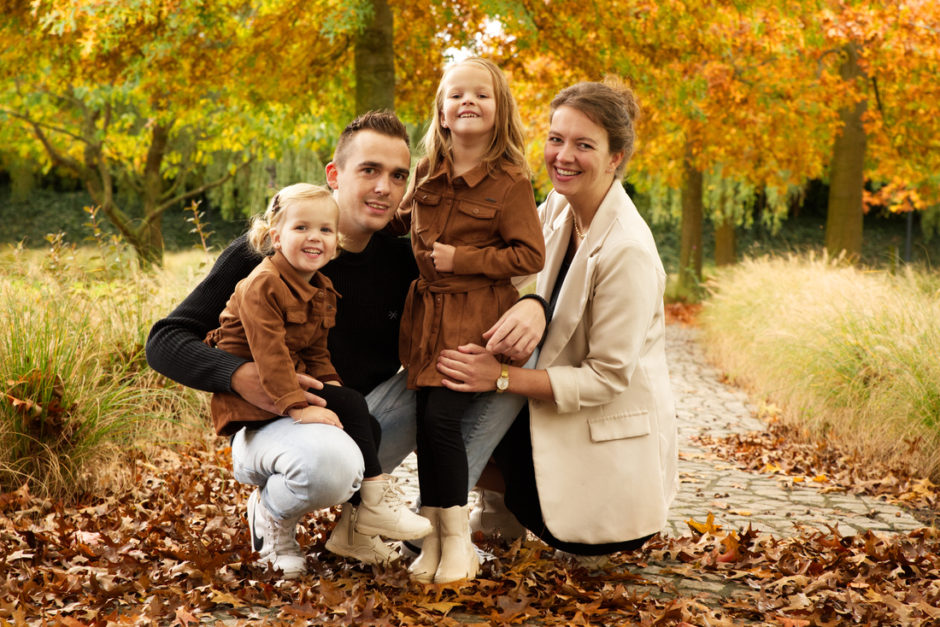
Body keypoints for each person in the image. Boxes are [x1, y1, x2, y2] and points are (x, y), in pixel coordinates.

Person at [145, 111, 546, 579]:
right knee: (328, 462)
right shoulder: (271, 253)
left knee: (507, 360)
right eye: (369, 170)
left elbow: (482, 287)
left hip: (358, 416)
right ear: (335, 175)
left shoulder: (403, 260)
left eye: (398, 176)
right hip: (274, 421)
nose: (384, 188)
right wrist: (238, 376)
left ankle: (428, 521)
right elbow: (165, 340)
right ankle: (272, 512)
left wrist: (533, 304)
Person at [437, 80, 678, 562]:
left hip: (602, 459)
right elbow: (514, 269)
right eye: (555, 139)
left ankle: (491, 511)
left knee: (465, 401)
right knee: (438, 394)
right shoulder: (557, 206)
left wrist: (501, 377)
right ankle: (492, 513)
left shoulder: (627, 250)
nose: (563, 155)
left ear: (616, 157)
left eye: (583, 144)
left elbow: (607, 377)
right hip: (559, 424)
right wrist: (531, 304)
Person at [202, 183, 432, 578]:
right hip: (251, 409)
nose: (315, 238)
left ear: (336, 240)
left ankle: (362, 524)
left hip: (288, 392)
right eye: (301, 228)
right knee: (347, 430)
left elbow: (316, 355)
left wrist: (334, 395)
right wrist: (299, 407)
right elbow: (270, 357)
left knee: (364, 421)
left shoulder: (320, 287)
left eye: (325, 230)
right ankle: (278, 515)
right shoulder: (263, 284)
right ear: (276, 236)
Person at [387, 57, 545, 584]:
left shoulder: (510, 181)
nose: (468, 102)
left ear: (500, 111)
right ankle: (432, 541)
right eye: (456, 95)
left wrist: (466, 260)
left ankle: (457, 545)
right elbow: (401, 226)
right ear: (442, 110)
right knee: (430, 428)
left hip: (476, 318)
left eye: (482, 94)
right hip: (425, 320)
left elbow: (529, 256)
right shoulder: (427, 169)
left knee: (440, 423)